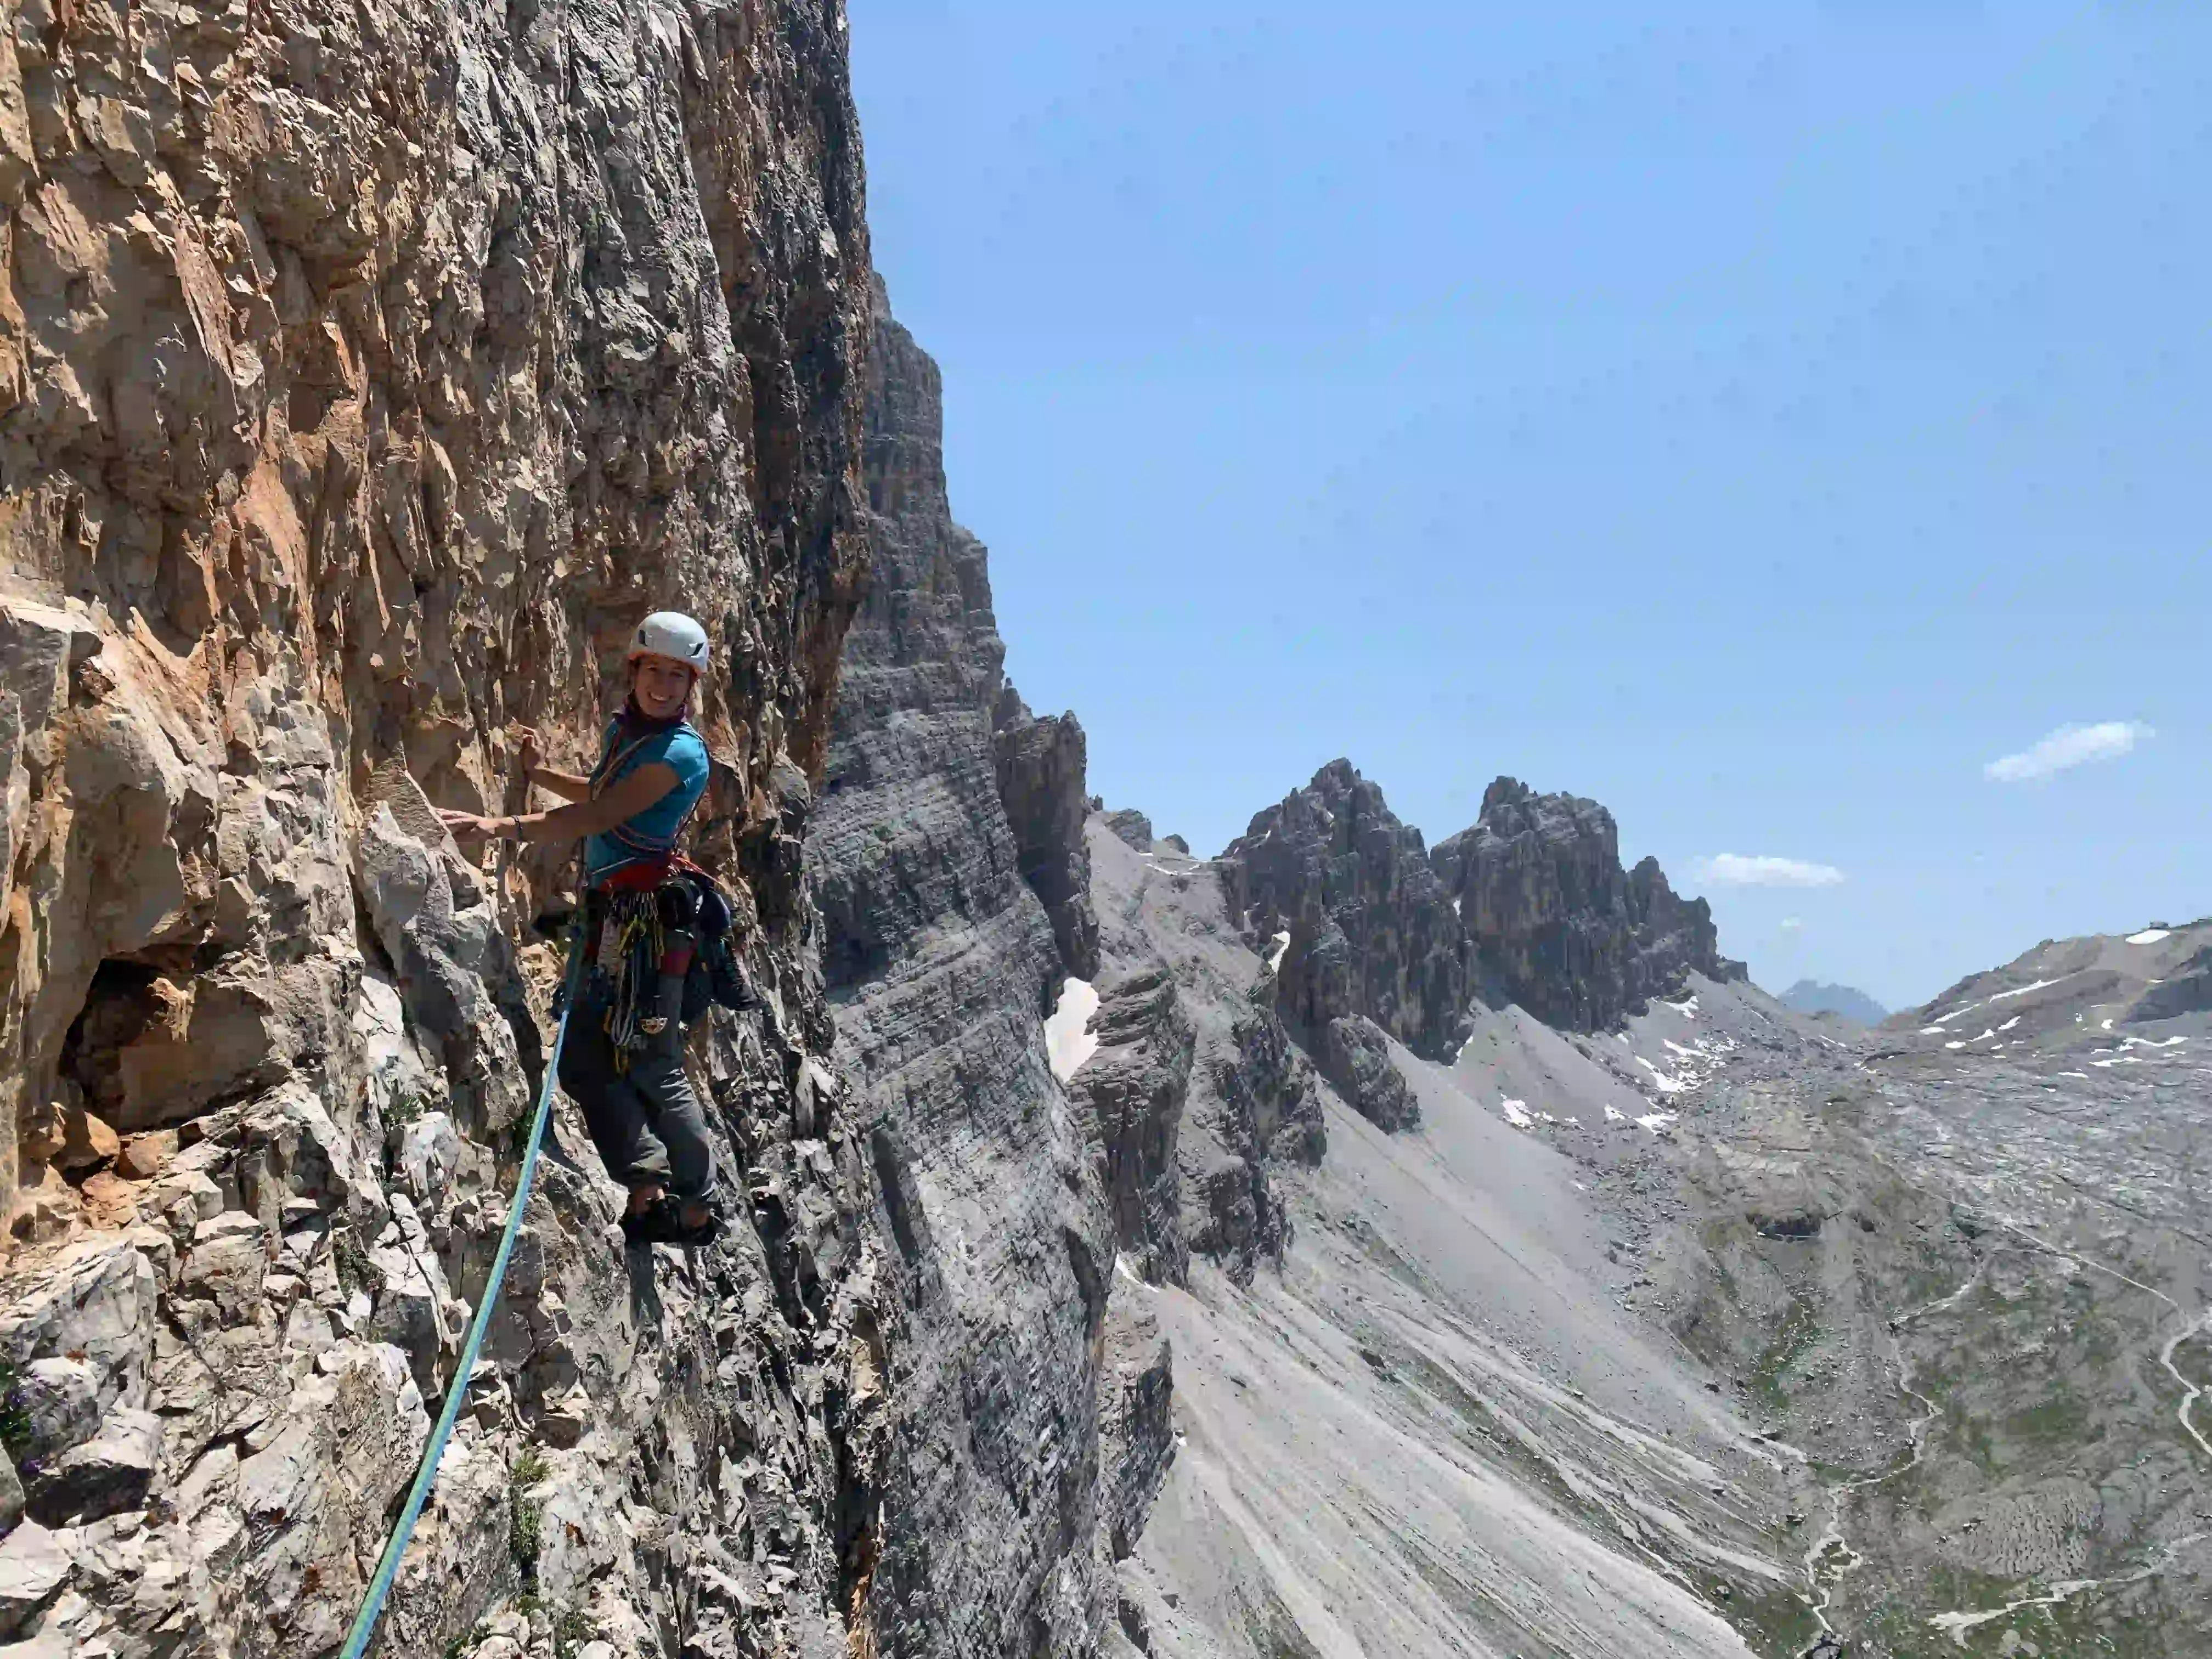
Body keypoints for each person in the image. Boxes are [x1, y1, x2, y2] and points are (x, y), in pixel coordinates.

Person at [439, 612, 721, 1245]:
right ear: (637, 670)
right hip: (619, 917)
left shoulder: (677, 754)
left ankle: (698, 1207)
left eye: (679, 676)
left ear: (690, 686)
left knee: (654, 1064)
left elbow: (601, 815)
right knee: (590, 1058)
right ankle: (646, 1191)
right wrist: (539, 775)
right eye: (656, 670)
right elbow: (599, 791)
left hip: (646, 927)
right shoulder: (633, 734)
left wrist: (500, 826)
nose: (665, 685)